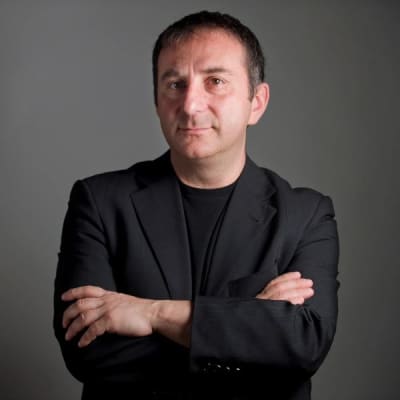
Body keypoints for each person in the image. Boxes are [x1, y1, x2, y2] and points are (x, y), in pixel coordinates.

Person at [53, 10, 339, 400]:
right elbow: (87, 352)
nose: (190, 105)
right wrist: (246, 320)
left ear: (257, 102)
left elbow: (303, 345)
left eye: (215, 82)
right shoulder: (99, 201)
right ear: (157, 100)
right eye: (175, 84)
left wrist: (152, 314)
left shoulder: (307, 215)